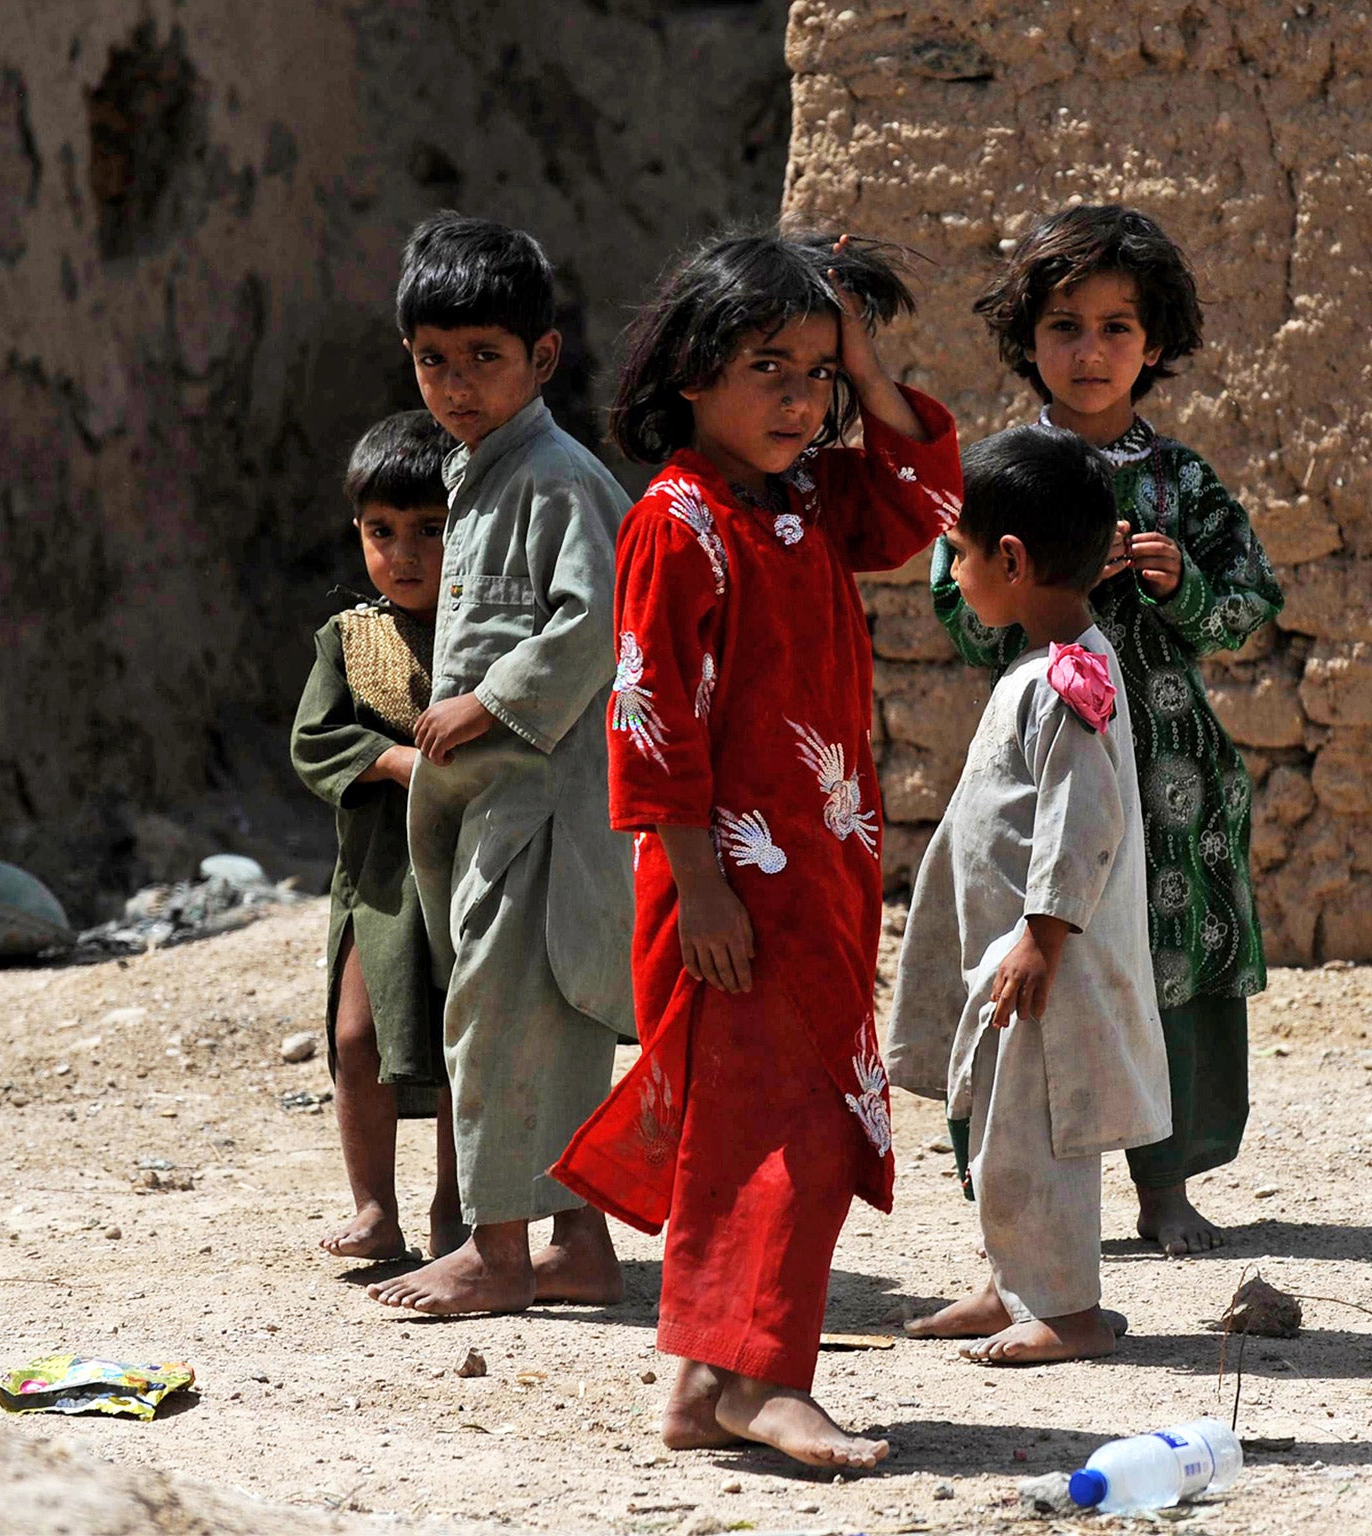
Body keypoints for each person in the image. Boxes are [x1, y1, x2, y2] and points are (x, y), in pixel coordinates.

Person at [550, 230, 962, 1469]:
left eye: (815, 375)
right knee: (792, 1132)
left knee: (756, 1122)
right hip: (728, 887)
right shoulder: (678, 525)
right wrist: (701, 888)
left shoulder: (806, 501)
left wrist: (868, 361)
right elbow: (651, 716)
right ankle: (765, 1382)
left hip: (814, 878)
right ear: (689, 374)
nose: (798, 400)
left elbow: (924, 501)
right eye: (766, 367)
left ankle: (693, 1387)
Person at [931, 205, 1285, 1257]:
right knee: (1033, 958)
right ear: (1026, 338)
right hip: (1043, 767)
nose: (1089, 353)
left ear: (1156, 342)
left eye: (1116, 328)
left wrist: (1179, 588)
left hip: (1169, 778)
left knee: (1159, 969)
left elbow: (1248, 604)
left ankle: (1163, 1188)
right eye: (1064, 327)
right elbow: (957, 615)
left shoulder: (1181, 482)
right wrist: (1054, 580)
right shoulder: (994, 476)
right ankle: (1025, 1196)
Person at [363, 213, 634, 1317]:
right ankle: (579, 1245)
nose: (456, 384)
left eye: (484, 358)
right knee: (534, 1021)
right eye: (434, 359)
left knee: (505, 1019)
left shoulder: (555, 477)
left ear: (543, 359)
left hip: (549, 809)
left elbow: (597, 614)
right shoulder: (478, 474)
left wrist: (488, 698)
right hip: (499, 810)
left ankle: (500, 1252)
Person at [888, 424, 1170, 1365]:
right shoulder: (1038, 667)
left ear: (1010, 560)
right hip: (1012, 954)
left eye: (959, 554)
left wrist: (1041, 939)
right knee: (1003, 1133)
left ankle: (1070, 1311)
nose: (954, 572)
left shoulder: (1071, 679)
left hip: (1045, 962)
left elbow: (1082, 821)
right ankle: (1013, 1282)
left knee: (1043, 1134)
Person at [290, 410, 459, 1263]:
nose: (406, 554)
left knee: (462, 1047)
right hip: (382, 882)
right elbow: (313, 741)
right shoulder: (349, 639)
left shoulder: (485, 634)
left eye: (432, 529)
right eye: (381, 531)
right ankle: (374, 1208)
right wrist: (392, 760)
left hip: (469, 875)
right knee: (359, 1039)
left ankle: (454, 1212)